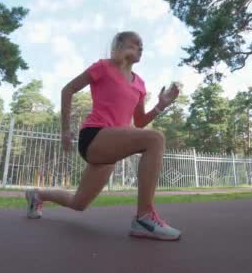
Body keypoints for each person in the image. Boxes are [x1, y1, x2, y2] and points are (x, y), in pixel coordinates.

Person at [24, 31, 182, 241]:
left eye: (142, 46)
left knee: (79, 203)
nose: (140, 48)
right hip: (94, 137)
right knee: (156, 139)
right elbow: (68, 89)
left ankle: (37, 194)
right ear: (119, 45)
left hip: (112, 144)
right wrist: (65, 129)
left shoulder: (140, 84)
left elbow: (140, 121)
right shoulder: (103, 67)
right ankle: (144, 218)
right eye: (135, 44)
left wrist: (161, 106)